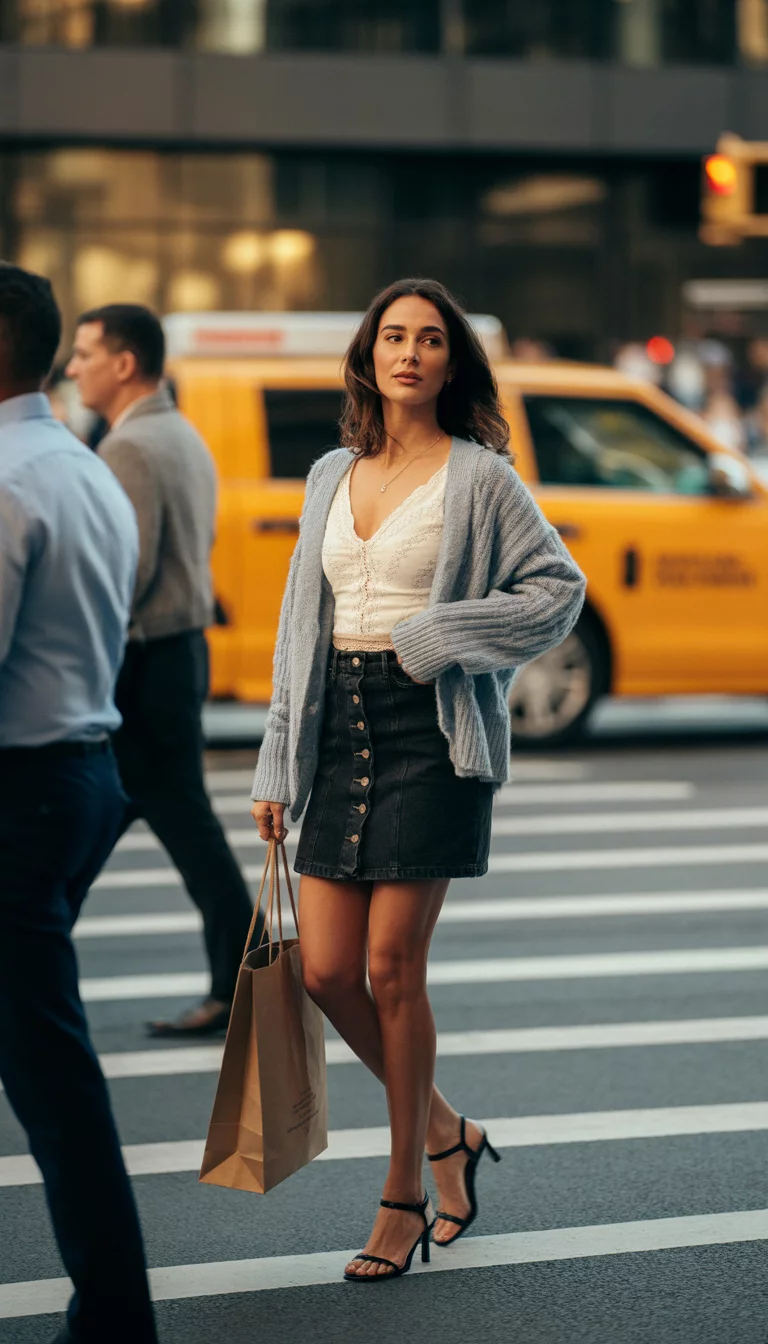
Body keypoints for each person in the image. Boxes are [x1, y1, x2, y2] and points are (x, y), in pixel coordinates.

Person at [251, 277, 586, 1282]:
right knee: (321, 972)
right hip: (334, 731)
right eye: (393, 336)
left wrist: (440, 635)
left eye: (430, 340)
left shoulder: (481, 477)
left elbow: (554, 593)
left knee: (394, 971)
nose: (410, 353)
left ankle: (403, 1191)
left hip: (429, 737)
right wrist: (276, 760)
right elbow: (293, 631)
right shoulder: (327, 474)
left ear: (451, 362)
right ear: (369, 355)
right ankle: (447, 1131)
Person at [0, 264, 157, 1342]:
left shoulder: (10, 479)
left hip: (19, 798)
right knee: (38, 1053)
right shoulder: (81, 465)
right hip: (79, 781)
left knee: (52, 1074)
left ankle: (115, 1317)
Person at [66, 304, 259, 1038]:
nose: (73, 367)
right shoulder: (178, 431)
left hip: (143, 666)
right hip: (175, 658)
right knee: (143, 825)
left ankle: (246, 977)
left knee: (84, 829)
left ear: (124, 363)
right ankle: (244, 976)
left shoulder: (131, 447)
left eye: (84, 354)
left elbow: (126, 573)